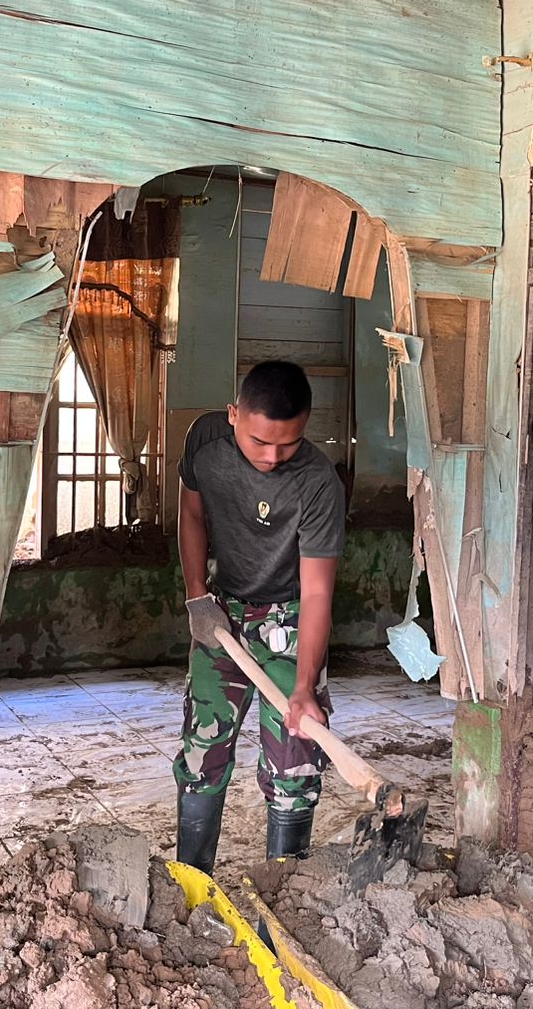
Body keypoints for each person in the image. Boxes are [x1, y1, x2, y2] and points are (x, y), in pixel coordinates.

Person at [173, 361, 346, 874]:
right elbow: (192, 513)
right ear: (233, 415)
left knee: (296, 761)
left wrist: (305, 686)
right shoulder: (205, 440)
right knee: (202, 752)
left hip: (289, 618)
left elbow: (317, 592)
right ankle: (192, 883)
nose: (272, 457)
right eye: (259, 442)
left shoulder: (318, 483)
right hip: (222, 610)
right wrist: (197, 595)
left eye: (288, 444)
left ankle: (282, 889)